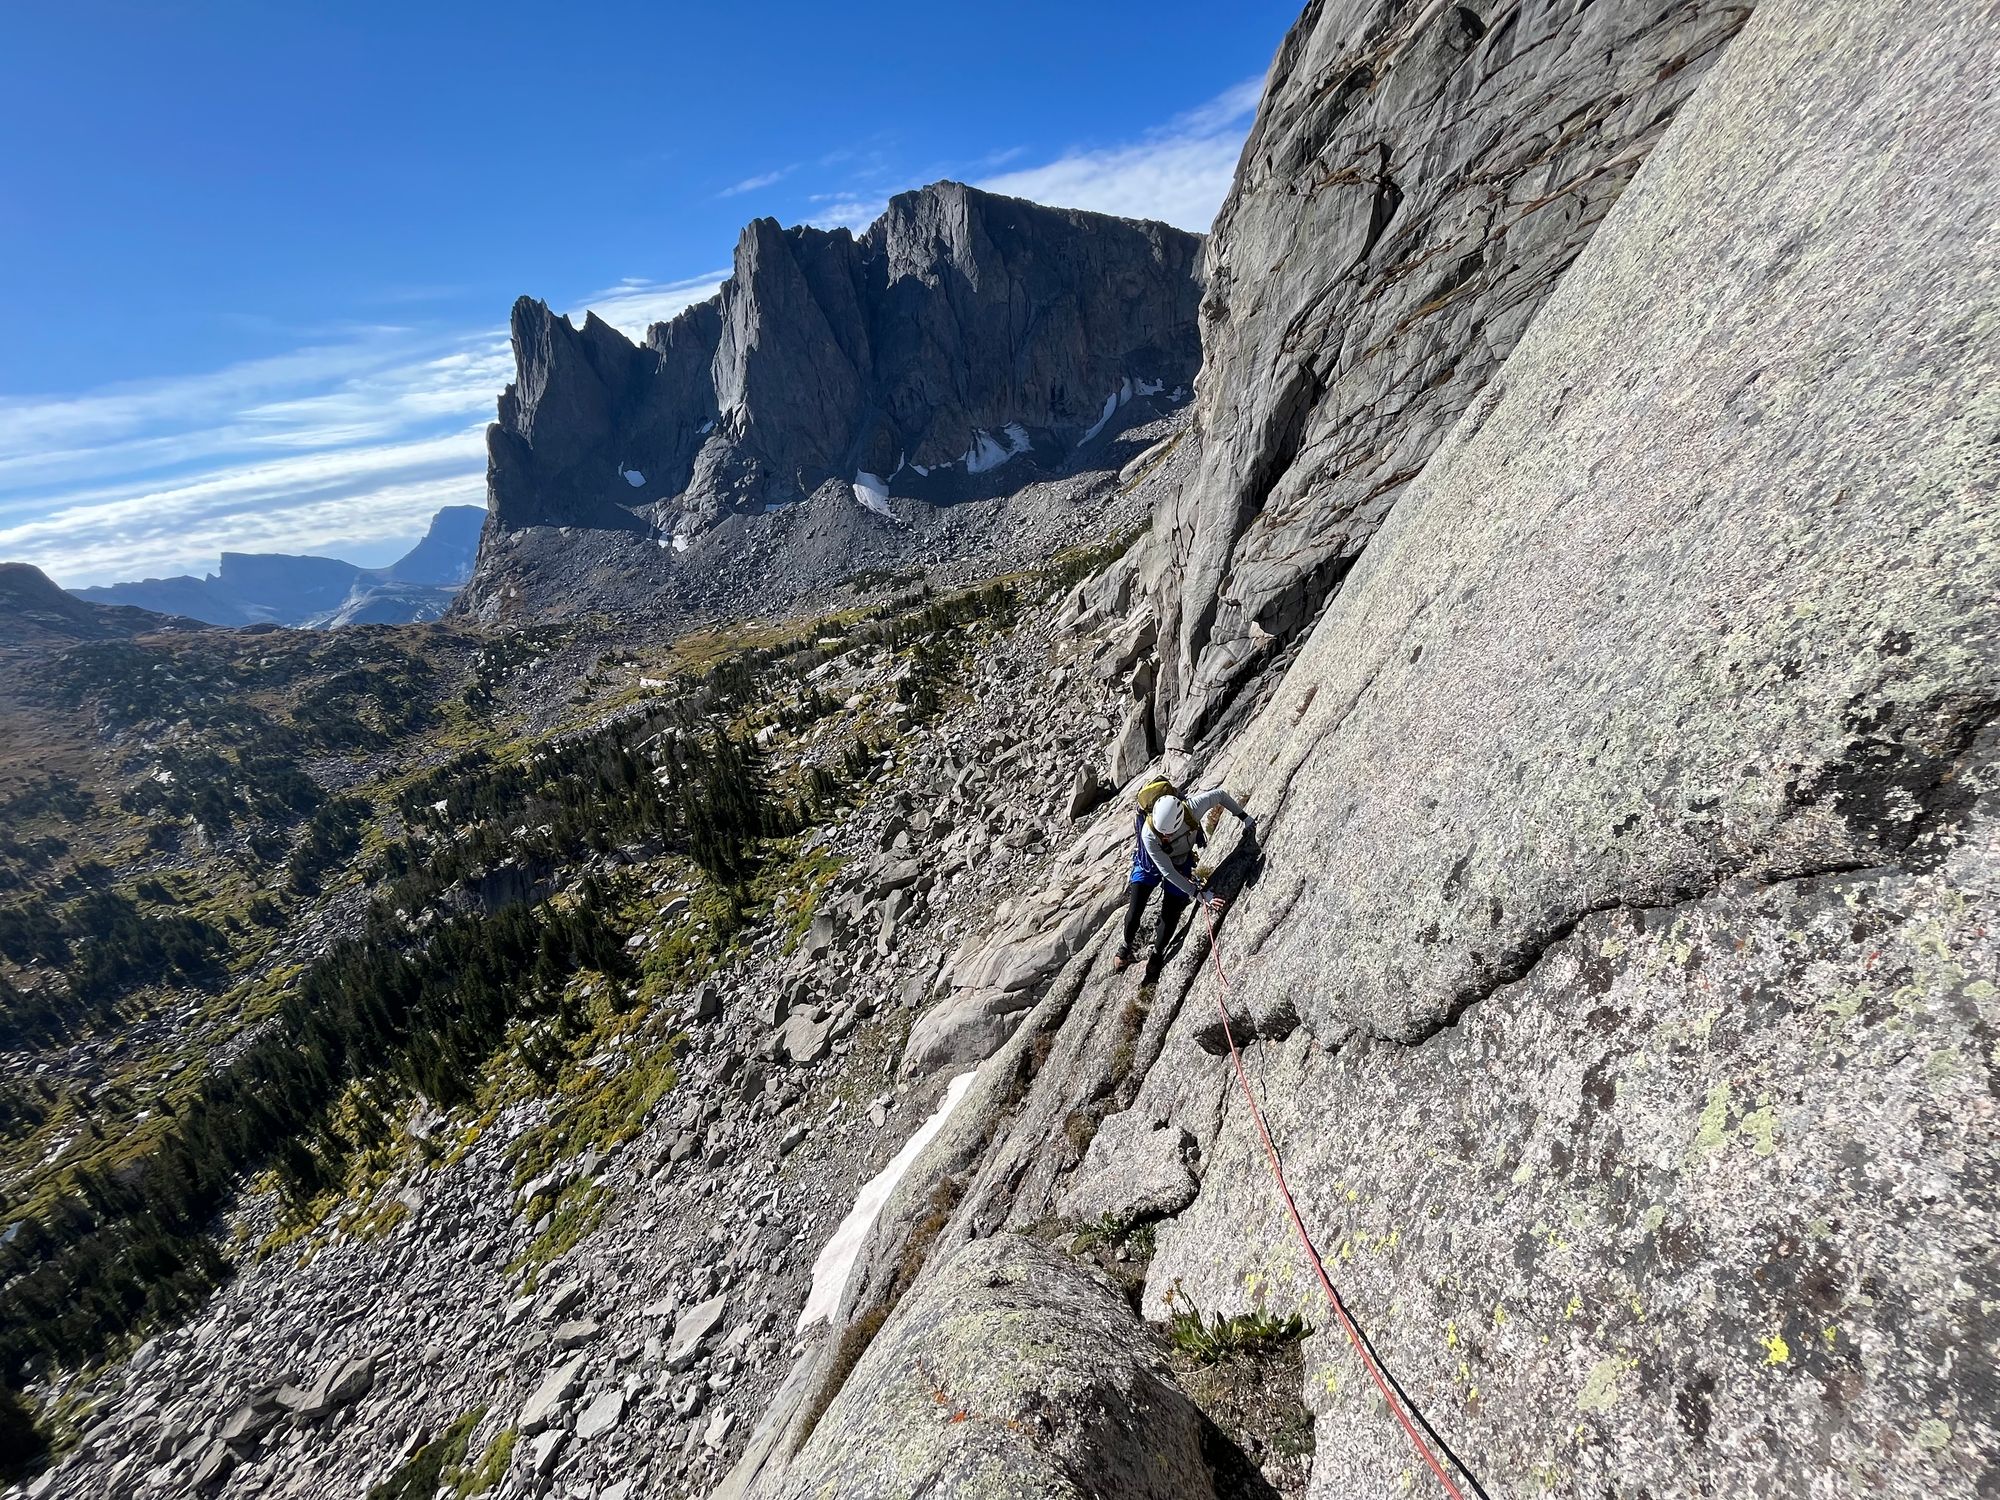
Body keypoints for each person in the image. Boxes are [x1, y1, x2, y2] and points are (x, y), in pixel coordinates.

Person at [1114, 780, 1255, 977]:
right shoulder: (1149, 834)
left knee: (1170, 913)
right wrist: (1200, 894)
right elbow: (1168, 872)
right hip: (1150, 863)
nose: (1165, 836)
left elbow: (1221, 795)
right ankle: (1125, 947)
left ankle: (1157, 955)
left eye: (1168, 833)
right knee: (1135, 908)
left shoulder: (1192, 809)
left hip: (1180, 861)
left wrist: (1244, 817)